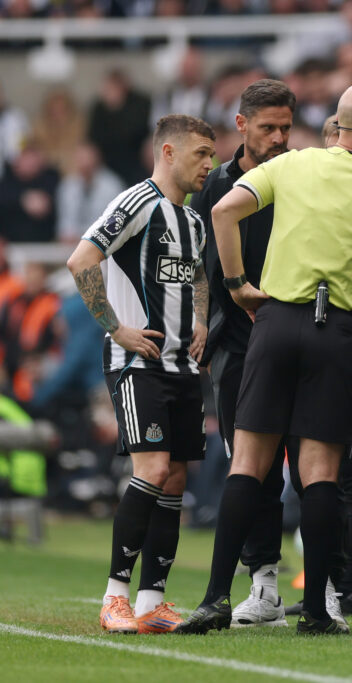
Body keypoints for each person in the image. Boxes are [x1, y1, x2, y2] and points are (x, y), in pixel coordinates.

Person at [177, 83, 352, 636]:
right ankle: (318, 609)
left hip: (273, 322)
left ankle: (216, 598)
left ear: (336, 124)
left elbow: (222, 211)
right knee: (319, 475)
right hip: (337, 330)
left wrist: (238, 285)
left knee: (248, 464)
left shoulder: (292, 165)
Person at [66, 114, 216, 635]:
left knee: (175, 478)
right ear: (169, 152)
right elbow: (81, 259)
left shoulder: (193, 221)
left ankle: (153, 603)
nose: (209, 164)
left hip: (182, 366)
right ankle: (114, 599)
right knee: (151, 471)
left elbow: (197, 275)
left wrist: (199, 319)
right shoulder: (134, 203)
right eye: (201, 153)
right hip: (137, 365)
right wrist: (116, 328)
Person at [188, 79, 297, 629]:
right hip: (236, 345)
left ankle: (322, 589)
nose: (278, 137)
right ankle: (265, 582)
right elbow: (201, 267)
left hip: (294, 338)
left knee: (304, 465)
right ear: (241, 125)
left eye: (285, 128)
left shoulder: (298, 177)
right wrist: (202, 325)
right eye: (267, 128)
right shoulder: (216, 186)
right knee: (251, 469)